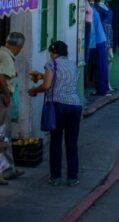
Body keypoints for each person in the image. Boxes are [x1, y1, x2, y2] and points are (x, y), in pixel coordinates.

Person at [28, 41, 81, 187]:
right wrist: (42, 76)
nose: (50, 55)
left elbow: (47, 85)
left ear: (54, 52)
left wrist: (33, 90)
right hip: (75, 105)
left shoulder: (51, 64)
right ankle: (73, 177)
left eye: (51, 53)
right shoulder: (74, 65)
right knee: (72, 143)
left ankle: (56, 177)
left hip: (58, 106)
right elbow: (64, 81)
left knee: (56, 141)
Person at [0, 32, 25, 184]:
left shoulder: (2, 53)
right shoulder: (6, 57)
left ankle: (8, 168)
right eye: (21, 48)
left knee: (3, 135)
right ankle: (5, 170)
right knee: (3, 135)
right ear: (17, 46)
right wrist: (7, 95)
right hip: (2, 99)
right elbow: (1, 77)